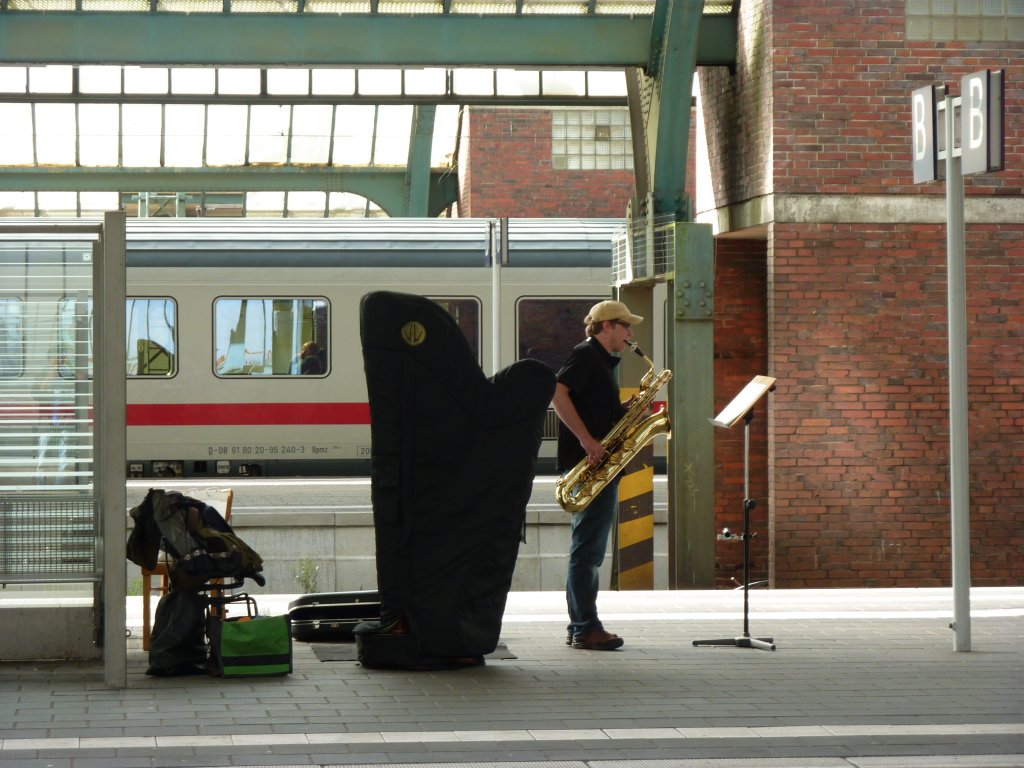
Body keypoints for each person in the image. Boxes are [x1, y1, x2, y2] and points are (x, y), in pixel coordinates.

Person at [551, 299, 642, 651]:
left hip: (598, 462)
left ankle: (580, 625)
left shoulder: (601, 360)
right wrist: (587, 440)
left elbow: (592, 407)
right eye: (626, 326)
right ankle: (585, 626)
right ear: (607, 326)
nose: (630, 333)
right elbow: (558, 393)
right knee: (587, 551)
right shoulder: (586, 354)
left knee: (587, 549)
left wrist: (624, 411)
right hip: (591, 465)